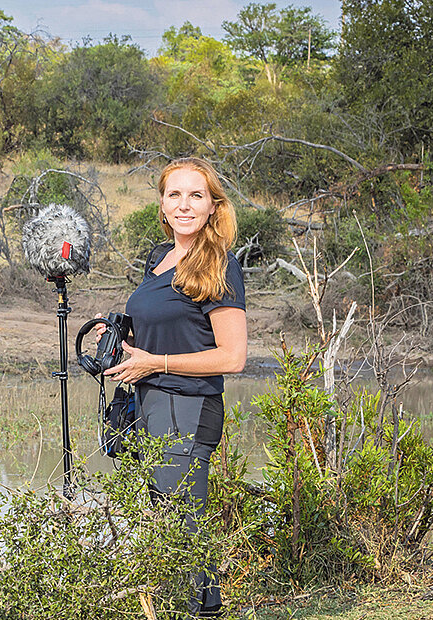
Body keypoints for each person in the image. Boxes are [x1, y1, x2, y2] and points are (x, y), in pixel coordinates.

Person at [98, 156, 246, 617]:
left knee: (185, 528)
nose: (184, 204)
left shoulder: (221, 263)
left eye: (196, 195)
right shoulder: (157, 259)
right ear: (162, 204)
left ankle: (206, 611)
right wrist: (124, 343)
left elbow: (233, 357)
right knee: (166, 527)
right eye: (174, 194)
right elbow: (167, 331)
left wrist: (155, 362)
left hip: (189, 407)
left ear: (212, 206)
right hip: (148, 403)